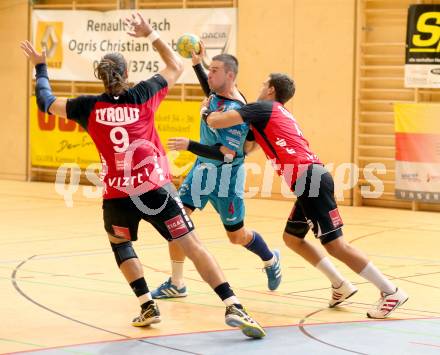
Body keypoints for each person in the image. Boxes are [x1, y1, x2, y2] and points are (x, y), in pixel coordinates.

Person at [20, 12, 266, 338]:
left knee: (120, 244)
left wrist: (41, 67)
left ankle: (147, 303)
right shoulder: (144, 94)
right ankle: (233, 304)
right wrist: (150, 33)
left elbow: (45, 101)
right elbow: (175, 66)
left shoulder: (87, 106)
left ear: (100, 77)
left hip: (118, 196)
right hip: (155, 190)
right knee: (192, 245)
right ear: (126, 73)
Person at [203, 72, 409, 319]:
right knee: (292, 238)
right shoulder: (270, 113)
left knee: (336, 245)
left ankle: (390, 291)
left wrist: (207, 112)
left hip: (309, 178)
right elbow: (247, 147)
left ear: (270, 90)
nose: (259, 87)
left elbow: (217, 121)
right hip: (308, 179)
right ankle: (339, 284)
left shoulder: (263, 107)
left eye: (263, 83)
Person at [151, 44, 281, 299]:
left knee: (237, 236)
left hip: (225, 180)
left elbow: (226, 153)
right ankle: (177, 284)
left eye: (214, 71)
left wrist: (190, 146)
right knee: (177, 223)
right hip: (201, 173)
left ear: (230, 76)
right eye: (209, 71)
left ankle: (270, 258)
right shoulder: (218, 94)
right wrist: (197, 64)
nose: (209, 75)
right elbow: (210, 91)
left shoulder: (234, 111)